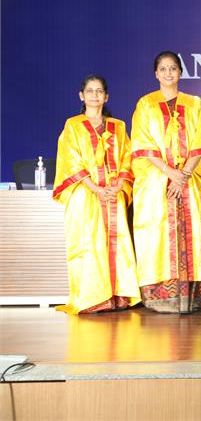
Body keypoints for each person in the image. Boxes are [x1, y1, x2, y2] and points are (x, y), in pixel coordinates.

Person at [131, 51, 201, 314]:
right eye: (163, 68)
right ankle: (159, 298)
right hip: (157, 181)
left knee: (195, 233)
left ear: (180, 72)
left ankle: (192, 297)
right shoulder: (145, 104)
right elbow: (142, 146)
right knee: (156, 233)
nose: (168, 73)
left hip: (190, 181)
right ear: (156, 74)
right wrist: (170, 173)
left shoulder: (196, 104)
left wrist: (183, 175)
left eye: (173, 68)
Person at [53, 75, 140, 314]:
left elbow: (127, 158)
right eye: (90, 91)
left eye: (99, 91)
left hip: (113, 193)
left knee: (117, 242)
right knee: (88, 243)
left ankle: (118, 295)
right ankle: (92, 298)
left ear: (106, 96)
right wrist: (96, 188)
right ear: (81, 96)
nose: (94, 95)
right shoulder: (73, 125)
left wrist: (119, 185)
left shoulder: (118, 127)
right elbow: (71, 161)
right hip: (86, 193)